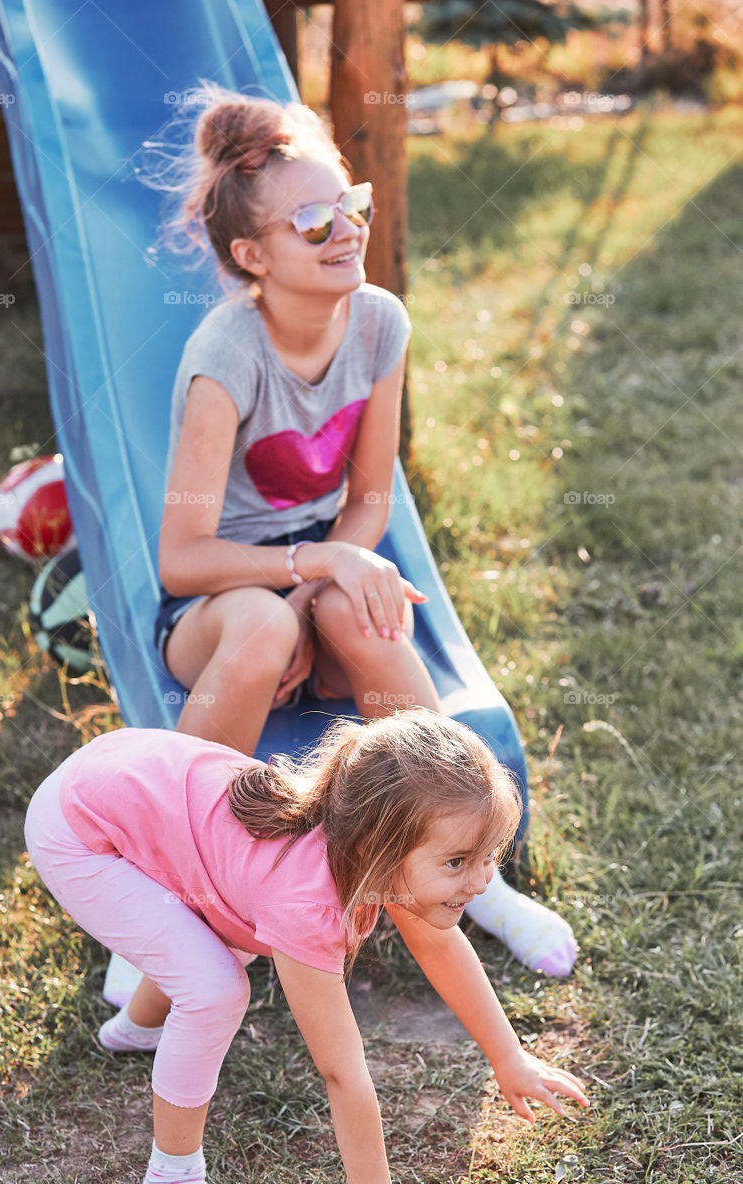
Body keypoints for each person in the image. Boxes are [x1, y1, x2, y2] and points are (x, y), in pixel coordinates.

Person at [141, 81, 577, 977]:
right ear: (250, 254)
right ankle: (175, 892)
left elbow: (371, 497)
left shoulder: (379, 321)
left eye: (352, 206)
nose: (344, 230)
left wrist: (320, 581)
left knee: (360, 610)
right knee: (265, 621)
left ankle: (471, 872)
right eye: (312, 222)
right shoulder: (224, 355)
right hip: (218, 611)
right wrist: (304, 570)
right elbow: (180, 560)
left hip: (313, 579)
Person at [24, 708, 589, 1184]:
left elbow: (441, 948)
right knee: (216, 988)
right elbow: (342, 1071)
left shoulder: (368, 848)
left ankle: (137, 1028)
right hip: (79, 828)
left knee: (217, 942)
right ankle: (171, 1180)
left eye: (490, 856)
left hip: (131, 778)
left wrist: (507, 1057)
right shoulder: (306, 902)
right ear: (376, 850)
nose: (482, 880)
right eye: (459, 862)